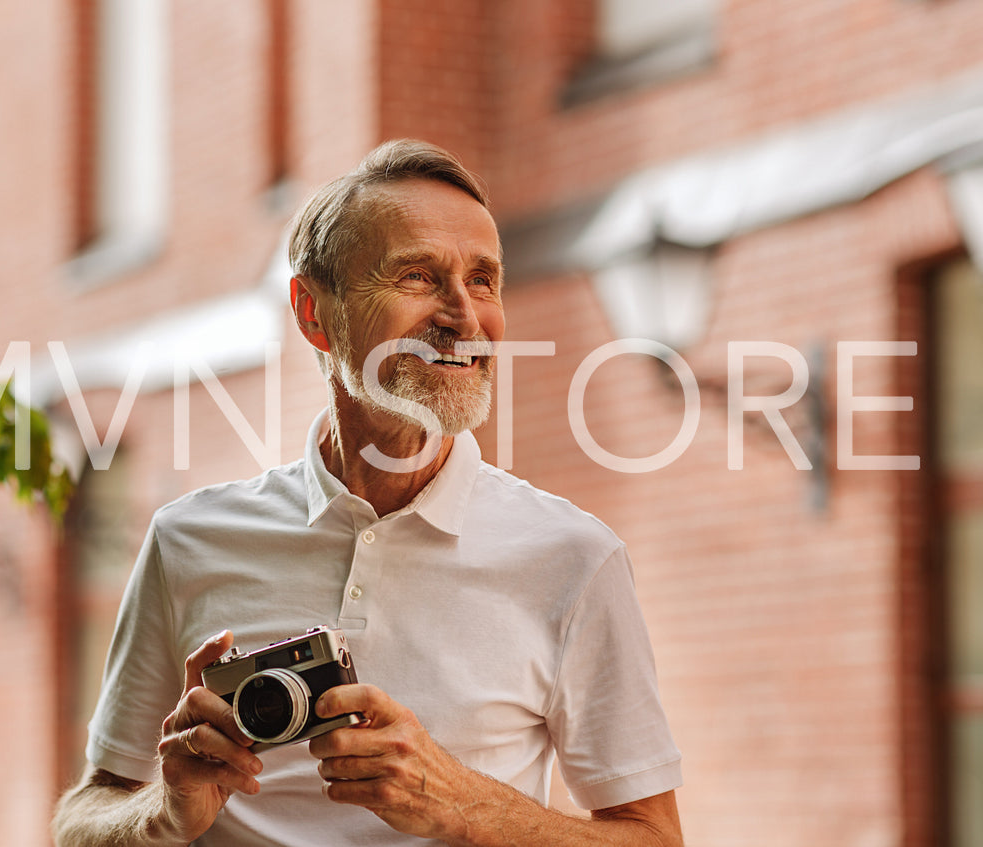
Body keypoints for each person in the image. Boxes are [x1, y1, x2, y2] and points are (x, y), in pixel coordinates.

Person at [52, 140, 683, 846]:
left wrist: (460, 803)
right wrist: (164, 814)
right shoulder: (188, 538)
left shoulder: (573, 556)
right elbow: (83, 816)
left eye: (483, 280)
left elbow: (653, 838)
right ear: (314, 312)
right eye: (416, 276)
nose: (464, 317)